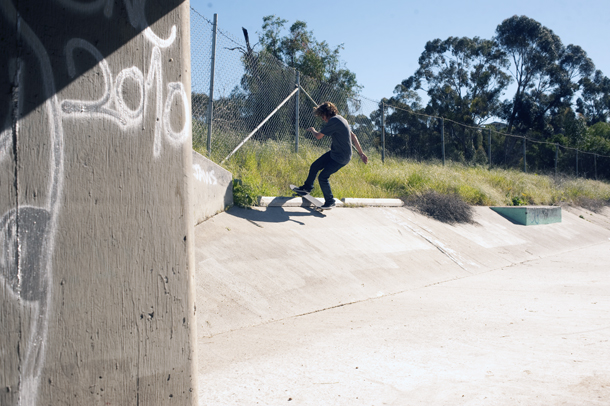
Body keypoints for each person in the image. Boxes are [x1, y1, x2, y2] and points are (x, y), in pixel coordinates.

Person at [293, 101, 368, 209]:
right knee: (315, 166)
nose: (323, 119)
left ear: (327, 113)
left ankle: (330, 201)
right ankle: (307, 188)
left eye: (322, 116)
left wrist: (313, 130)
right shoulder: (342, 119)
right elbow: (353, 136)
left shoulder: (334, 121)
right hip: (336, 153)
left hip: (341, 157)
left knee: (323, 177)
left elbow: (319, 136)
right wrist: (361, 153)